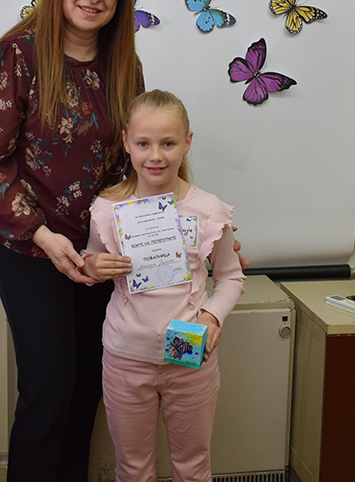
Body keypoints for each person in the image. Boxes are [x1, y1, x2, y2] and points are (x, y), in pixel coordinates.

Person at [0, 0, 143, 481]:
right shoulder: (15, 55)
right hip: (31, 245)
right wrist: (44, 237)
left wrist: (196, 228)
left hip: (96, 249)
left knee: (89, 382)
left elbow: (137, 161)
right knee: (48, 388)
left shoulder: (124, 67)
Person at [82, 90, 245, 482]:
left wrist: (212, 316)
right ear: (126, 142)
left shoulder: (209, 210)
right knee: (133, 468)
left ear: (187, 143)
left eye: (168, 144)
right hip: (126, 355)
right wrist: (93, 265)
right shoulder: (107, 208)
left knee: (193, 466)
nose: (155, 156)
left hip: (189, 356)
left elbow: (230, 276)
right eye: (143, 144)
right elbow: (90, 260)